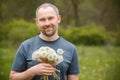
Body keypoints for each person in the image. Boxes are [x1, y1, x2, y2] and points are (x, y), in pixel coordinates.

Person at [9, 3, 80, 80]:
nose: (47, 23)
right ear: (37, 22)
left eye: (50, 18)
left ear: (58, 19)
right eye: (42, 19)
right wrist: (32, 71)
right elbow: (13, 77)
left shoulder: (71, 48)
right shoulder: (26, 46)